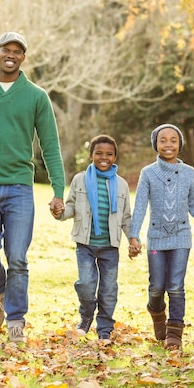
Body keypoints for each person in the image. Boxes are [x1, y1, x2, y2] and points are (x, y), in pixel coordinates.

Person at [0, 32, 65, 344]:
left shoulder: (36, 96)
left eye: (18, 51)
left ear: (23, 58)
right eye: (7, 49)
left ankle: (16, 319)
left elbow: (50, 147)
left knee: (17, 257)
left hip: (20, 189)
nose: (11, 55)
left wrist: (58, 190)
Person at [129, 124, 194, 350]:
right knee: (157, 286)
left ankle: (175, 332)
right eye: (163, 140)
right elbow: (139, 206)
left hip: (181, 237)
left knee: (175, 285)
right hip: (156, 238)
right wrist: (133, 235)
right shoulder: (148, 173)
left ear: (180, 144)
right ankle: (157, 314)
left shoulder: (189, 174)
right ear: (155, 143)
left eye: (173, 140)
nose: (168, 144)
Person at [53, 134, 133, 343]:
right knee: (86, 285)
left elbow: (126, 217)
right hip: (85, 244)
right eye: (98, 153)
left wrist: (132, 239)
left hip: (110, 246)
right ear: (91, 155)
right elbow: (70, 205)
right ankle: (86, 315)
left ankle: (105, 327)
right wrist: (60, 212)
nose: (103, 158)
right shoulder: (80, 179)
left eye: (109, 154)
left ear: (115, 157)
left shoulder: (122, 185)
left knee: (108, 290)